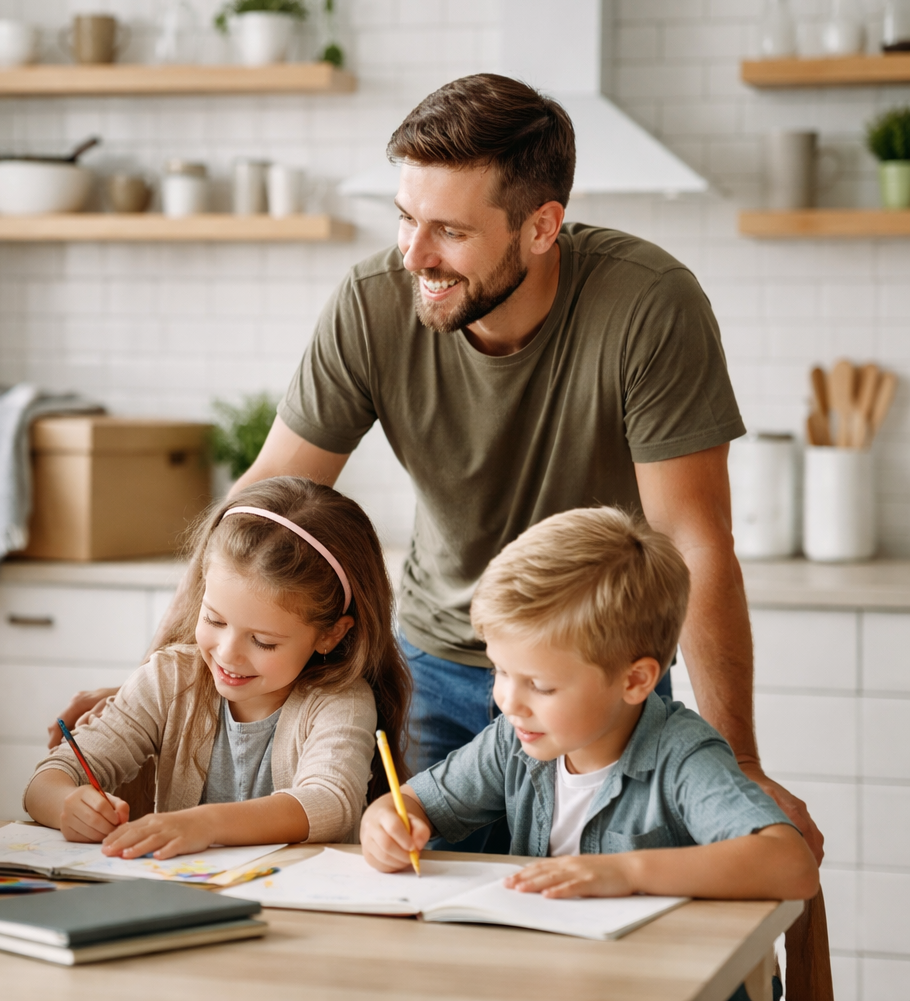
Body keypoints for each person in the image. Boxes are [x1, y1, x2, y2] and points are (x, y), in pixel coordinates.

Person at [50, 73, 823, 859]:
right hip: (431, 671)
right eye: (404, 219)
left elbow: (694, 542)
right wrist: (173, 671)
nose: (415, 255)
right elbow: (262, 503)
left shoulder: (650, 307)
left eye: (449, 231)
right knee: (422, 911)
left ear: (542, 227)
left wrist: (742, 759)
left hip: (590, 671)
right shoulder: (374, 302)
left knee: (600, 919)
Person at [360, 507, 819, 909]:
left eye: (540, 685)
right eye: (500, 671)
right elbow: (414, 805)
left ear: (635, 681)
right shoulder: (514, 740)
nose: (508, 701)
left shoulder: (683, 756)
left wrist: (627, 873)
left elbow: (790, 863)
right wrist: (385, 824)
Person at [24, 477, 410, 858]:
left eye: (263, 641)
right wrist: (67, 805)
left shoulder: (340, 701)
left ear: (330, 635)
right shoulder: (169, 679)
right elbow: (47, 780)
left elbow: (329, 803)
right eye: (214, 619)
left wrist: (203, 824)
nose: (228, 654)